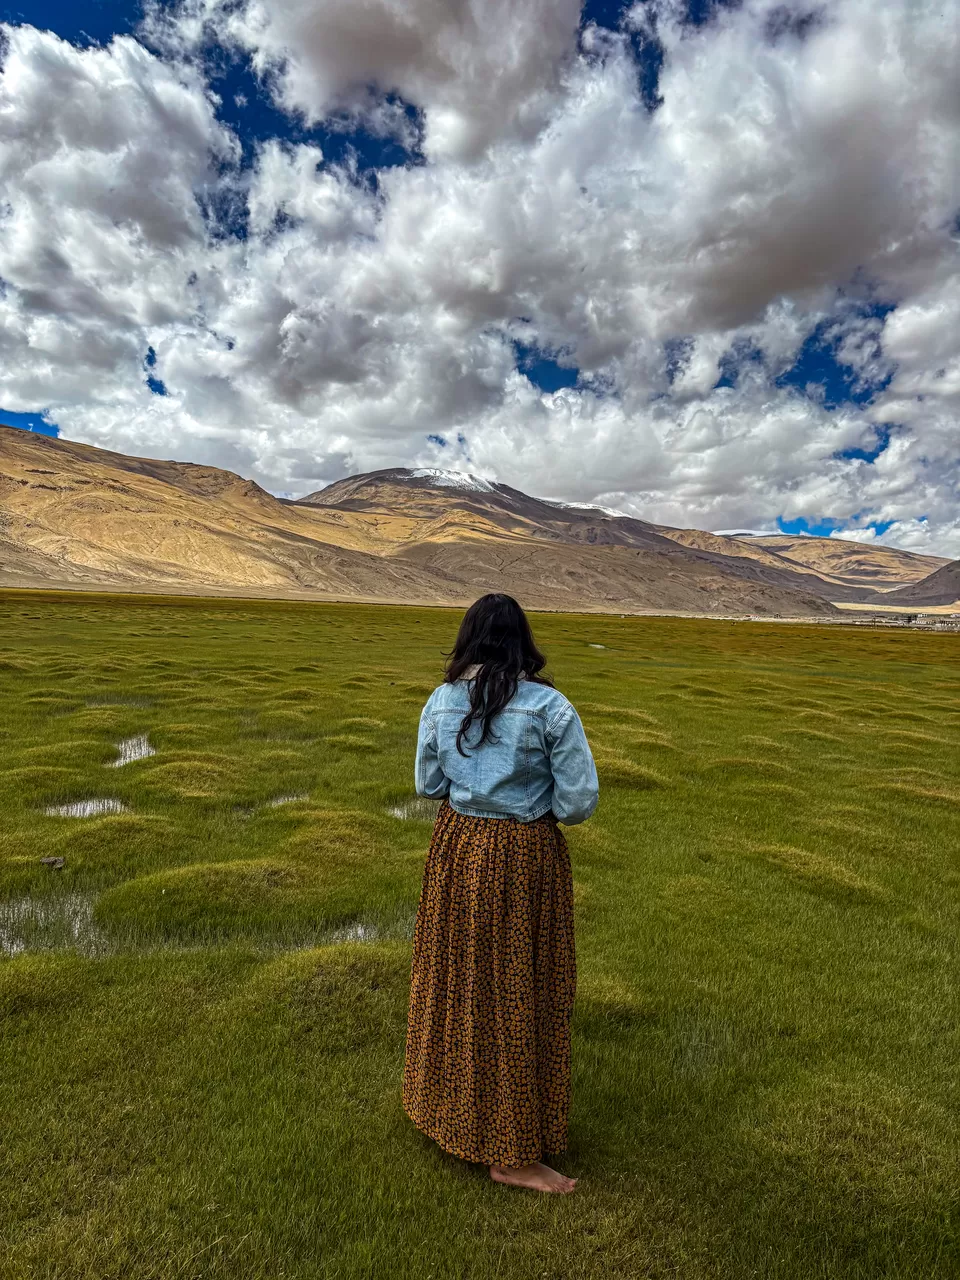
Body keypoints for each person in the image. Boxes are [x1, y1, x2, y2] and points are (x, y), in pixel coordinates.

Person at [402, 593, 599, 1194]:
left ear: (468, 640)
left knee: (458, 979)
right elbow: (577, 803)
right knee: (516, 990)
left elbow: (427, 781)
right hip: (522, 858)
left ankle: (447, 1112)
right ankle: (511, 1155)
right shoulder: (550, 709)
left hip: (456, 850)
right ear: (522, 642)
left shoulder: (441, 701)